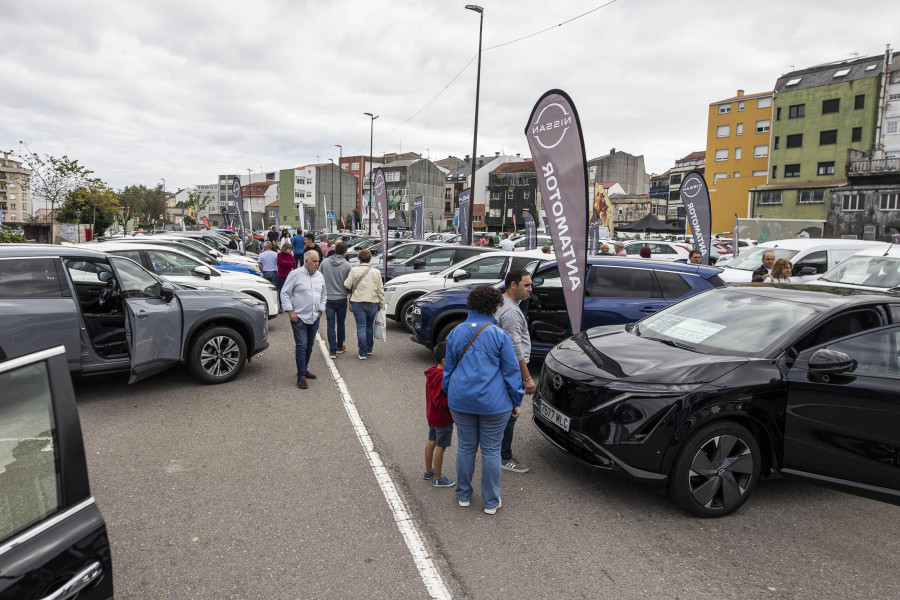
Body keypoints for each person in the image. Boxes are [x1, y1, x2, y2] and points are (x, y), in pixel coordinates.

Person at [442, 285, 523, 514]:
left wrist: (449, 392)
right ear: (494, 307)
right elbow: (511, 372)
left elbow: (448, 369)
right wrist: (516, 400)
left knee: (466, 448)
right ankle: (490, 501)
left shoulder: (456, 332)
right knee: (491, 451)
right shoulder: (499, 335)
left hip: (461, 399)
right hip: (495, 403)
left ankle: (464, 495)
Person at [495, 269, 535, 474]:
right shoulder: (510, 311)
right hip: (512, 370)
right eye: (526, 285)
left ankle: (496, 450)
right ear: (513, 285)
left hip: (505, 369)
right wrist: (526, 377)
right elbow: (514, 346)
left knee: (505, 412)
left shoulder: (506, 303)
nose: (530, 289)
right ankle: (504, 456)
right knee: (511, 413)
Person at [280, 250, 326, 389]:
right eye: (314, 261)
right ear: (306, 262)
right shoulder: (295, 274)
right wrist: (290, 311)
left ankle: (304, 368)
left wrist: (320, 310)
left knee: (309, 346)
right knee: (301, 346)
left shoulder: (319, 276)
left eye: (318, 261)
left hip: (314, 317)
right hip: (299, 318)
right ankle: (301, 376)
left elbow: (324, 295)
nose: (317, 264)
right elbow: (285, 293)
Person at [424, 341, 455, 489]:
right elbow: (439, 401)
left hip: (431, 415)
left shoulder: (432, 372)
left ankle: (428, 471)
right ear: (444, 360)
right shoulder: (442, 377)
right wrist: (454, 400)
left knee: (431, 441)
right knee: (441, 447)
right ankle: (437, 478)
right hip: (442, 418)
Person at [344, 249, 385, 360]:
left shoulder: (354, 270)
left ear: (359, 258)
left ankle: (362, 352)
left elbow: (347, 285)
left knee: (361, 327)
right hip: (373, 302)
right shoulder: (376, 272)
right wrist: (382, 304)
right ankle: (369, 349)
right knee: (369, 326)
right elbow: (380, 289)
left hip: (358, 301)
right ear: (370, 258)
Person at [320, 241, 352, 358]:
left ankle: (332, 350)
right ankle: (340, 345)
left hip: (328, 298)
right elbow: (350, 283)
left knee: (330, 324)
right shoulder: (347, 265)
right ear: (344, 253)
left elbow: (319, 277)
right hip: (342, 297)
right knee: (341, 322)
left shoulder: (324, 263)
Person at [276, 242, 295, 311]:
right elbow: (281, 263)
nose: (290, 250)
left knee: (289, 291)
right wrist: (288, 263)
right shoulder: (279, 255)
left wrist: (286, 262)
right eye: (289, 249)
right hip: (281, 275)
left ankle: (288, 306)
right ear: (285, 248)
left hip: (289, 276)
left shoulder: (290, 256)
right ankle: (281, 306)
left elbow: (293, 264)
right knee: (281, 291)